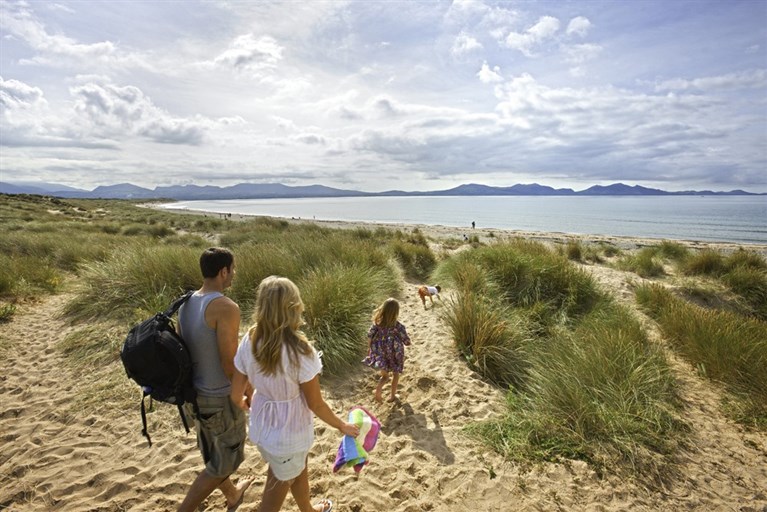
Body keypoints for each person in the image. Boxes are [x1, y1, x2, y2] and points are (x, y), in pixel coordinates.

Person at [230, 276, 359, 512]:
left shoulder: (249, 339)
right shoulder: (300, 351)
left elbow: (236, 393)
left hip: (262, 425)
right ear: (293, 308)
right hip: (288, 433)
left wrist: (250, 402)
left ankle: (307, 509)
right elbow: (316, 404)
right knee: (275, 490)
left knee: (297, 468)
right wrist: (341, 425)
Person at [177, 247, 253, 512]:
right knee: (226, 462)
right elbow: (229, 363)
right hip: (218, 398)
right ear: (223, 271)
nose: (234, 274)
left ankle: (232, 494)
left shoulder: (185, 302)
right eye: (233, 269)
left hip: (193, 396)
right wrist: (249, 390)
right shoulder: (225, 307)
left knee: (213, 454)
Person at [362, 298, 411, 403]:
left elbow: (370, 336)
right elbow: (406, 341)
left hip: (381, 353)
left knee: (384, 376)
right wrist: (407, 341)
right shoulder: (398, 326)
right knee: (395, 374)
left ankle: (378, 391)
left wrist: (369, 349)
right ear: (396, 312)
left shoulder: (377, 324)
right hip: (395, 354)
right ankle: (392, 396)